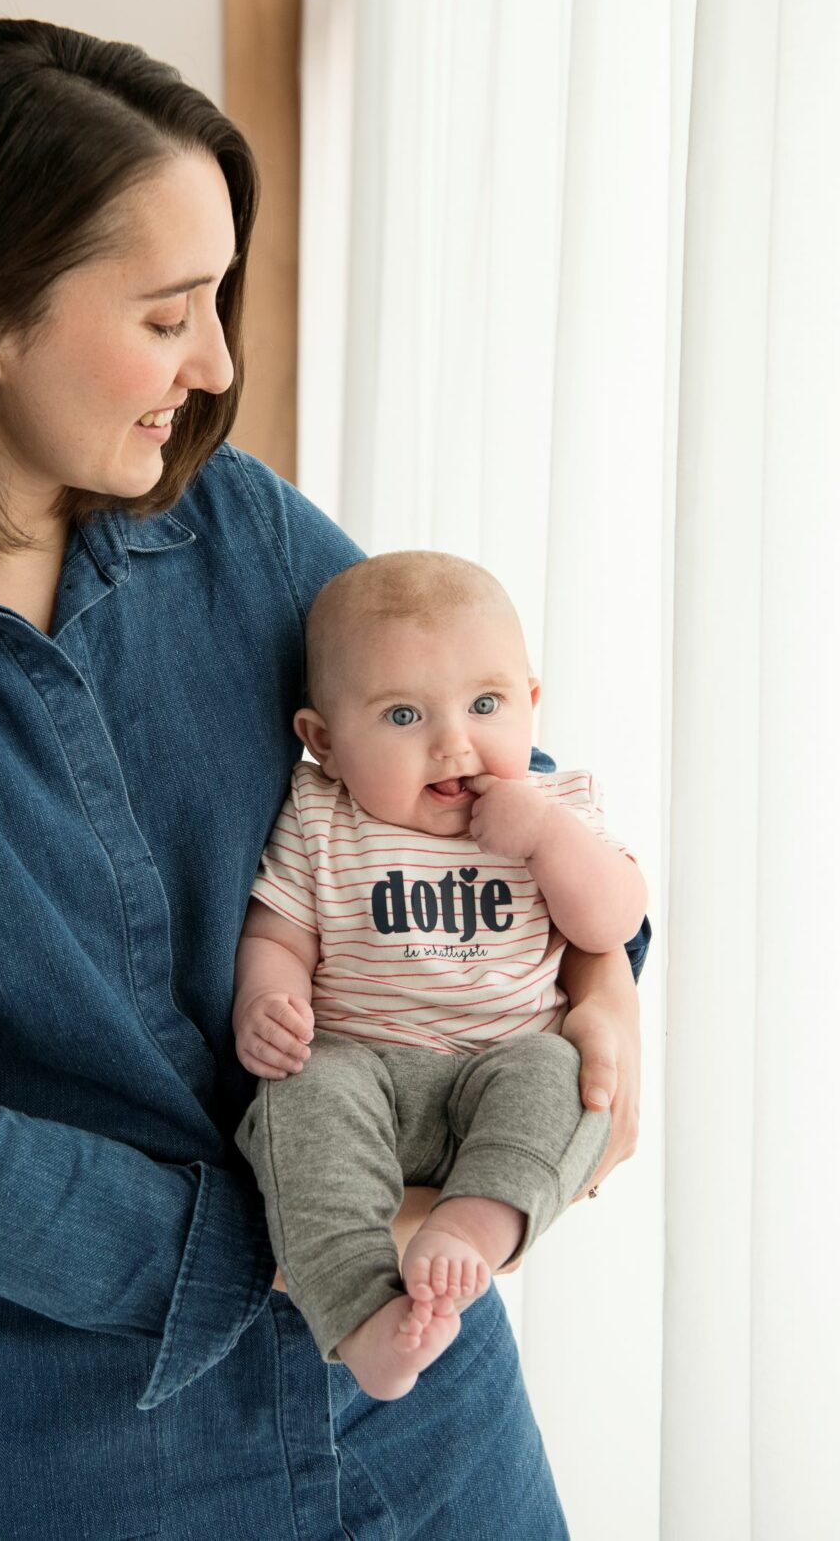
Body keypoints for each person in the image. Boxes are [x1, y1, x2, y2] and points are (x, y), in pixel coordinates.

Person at [0, 18, 649, 1540]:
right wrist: (318, 1238)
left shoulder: (247, 530)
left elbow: (485, 788)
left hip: (427, 1415)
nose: (218, 365)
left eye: (219, 303)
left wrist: (606, 991)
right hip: (80, 1458)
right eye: (166, 313)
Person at [233, 552, 648, 1402]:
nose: (454, 741)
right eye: (403, 714)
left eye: (486, 705)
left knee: (563, 1075)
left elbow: (612, 922)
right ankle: (362, 1315)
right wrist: (266, 999)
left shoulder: (557, 802)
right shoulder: (321, 816)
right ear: (325, 741)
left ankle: (471, 1227)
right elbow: (279, 933)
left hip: (503, 1064)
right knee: (294, 1100)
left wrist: (546, 837)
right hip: (364, 1072)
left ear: (532, 705)